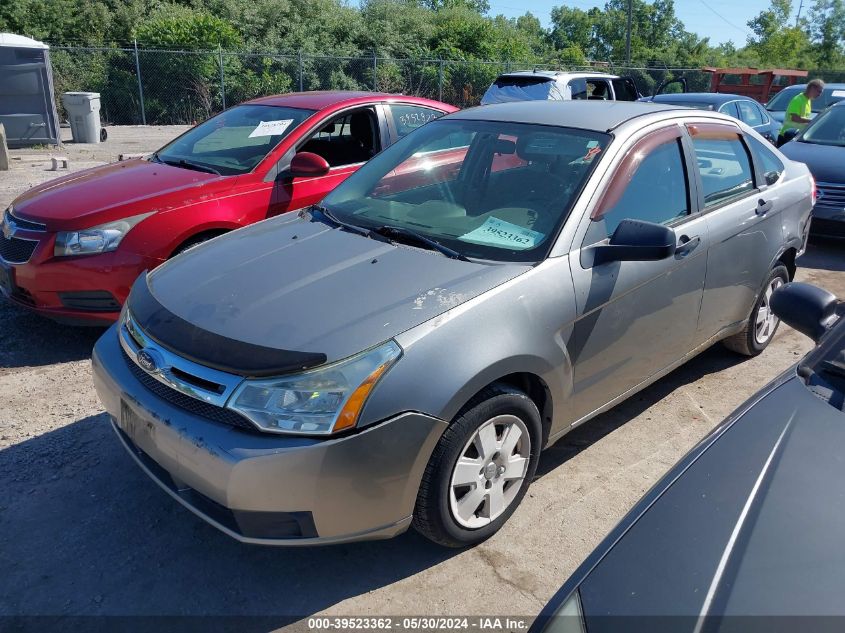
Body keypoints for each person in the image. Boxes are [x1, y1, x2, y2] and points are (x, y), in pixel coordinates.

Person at [777, 79, 825, 146]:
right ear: (812, 88)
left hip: (796, 136)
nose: (819, 94)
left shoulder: (808, 100)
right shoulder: (798, 99)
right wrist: (813, 121)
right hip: (787, 136)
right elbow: (795, 118)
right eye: (819, 91)